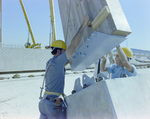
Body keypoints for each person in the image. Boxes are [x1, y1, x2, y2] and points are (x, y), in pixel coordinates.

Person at [39, 15, 90, 119]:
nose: (65, 54)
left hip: (43, 104)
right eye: (63, 52)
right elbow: (73, 45)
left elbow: (66, 62)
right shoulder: (58, 61)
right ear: (58, 51)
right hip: (52, 105)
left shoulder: (50, 62)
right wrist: (83, 24)